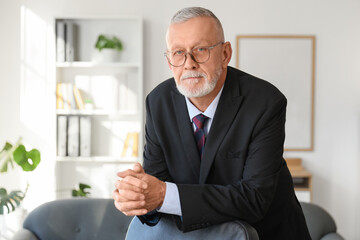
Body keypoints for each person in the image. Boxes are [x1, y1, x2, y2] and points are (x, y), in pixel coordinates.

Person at [113, 7, 311, 239]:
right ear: (169, 61)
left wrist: (163, 195)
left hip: (266, 233)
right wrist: (139, 196)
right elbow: (157, 189)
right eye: (178, 52)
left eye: (200, 49)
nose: (189, 63)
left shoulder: (265, 102)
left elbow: (254, 199)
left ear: (225, 53)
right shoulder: (157, 103)